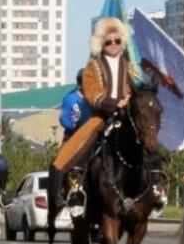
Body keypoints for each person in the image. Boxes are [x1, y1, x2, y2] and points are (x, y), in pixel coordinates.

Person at [52, 17, 135, 183]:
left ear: (122, 41)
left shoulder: (129, 66)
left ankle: (155, 186)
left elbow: (135, 88)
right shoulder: (93, 66)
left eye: (117, 40)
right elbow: (92, 94)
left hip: (126, 116)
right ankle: (75, 186)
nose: (113, 44)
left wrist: (131, 97)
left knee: (148, 141)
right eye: (108, 41)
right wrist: (114, 103)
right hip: (101, 117)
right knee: (74, 151)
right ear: (101, 43)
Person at [58, 72, 89, 142]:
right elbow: (64, 118)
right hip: (72, 136)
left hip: (89, 134)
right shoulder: (69, 99)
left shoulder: (93, 99)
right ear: (80, 84)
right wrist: (74, 126)